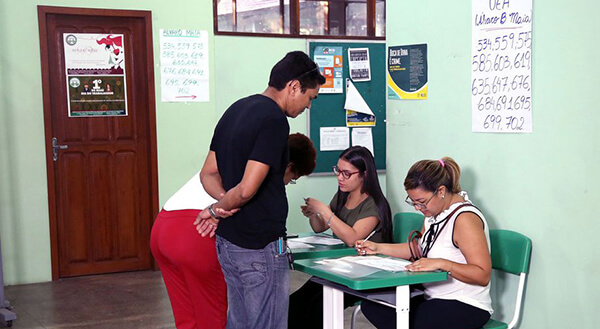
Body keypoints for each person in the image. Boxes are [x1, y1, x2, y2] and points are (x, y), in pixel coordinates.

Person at [193, 51, 326, 329]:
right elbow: (246, 189)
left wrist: (222, 205)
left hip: (228, 244)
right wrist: (219, 209)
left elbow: (208, 173)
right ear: (293, 87)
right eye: (309, 98)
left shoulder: (236, 109)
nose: (308, 106)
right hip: (260, 247)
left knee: (240, 323)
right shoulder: (274, 121)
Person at [150, 133, 317, 329]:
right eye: (292, 178)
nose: (287, 183)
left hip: (163, 228)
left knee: (188, 319)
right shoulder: (260, 171)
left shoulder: (241, 155)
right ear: (288, 166)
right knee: (212, 319)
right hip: (197, 230)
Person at [355, 157, 493, 329]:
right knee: (374, 306)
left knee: (404, 322)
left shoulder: (464, 219)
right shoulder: (434, 214)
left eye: (421, 202)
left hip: (465, 304)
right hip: (431, 296)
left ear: (441, 191)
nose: (417, 208)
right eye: (413, 202)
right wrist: (378, 248)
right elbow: (419, 249)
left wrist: (442, 264)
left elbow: (482, 275)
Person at [288, 146, 393, 329]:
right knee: (294, 304)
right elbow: (320, 227)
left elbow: (352, 238)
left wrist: (323, 210)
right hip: (338, 268)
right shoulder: (343, 195)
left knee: (315, 310)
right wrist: (314, 214)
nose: (340, 178)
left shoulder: (374, 204)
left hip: (363, 273)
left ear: (364, 175)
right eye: (338, 171)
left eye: (346, 173)